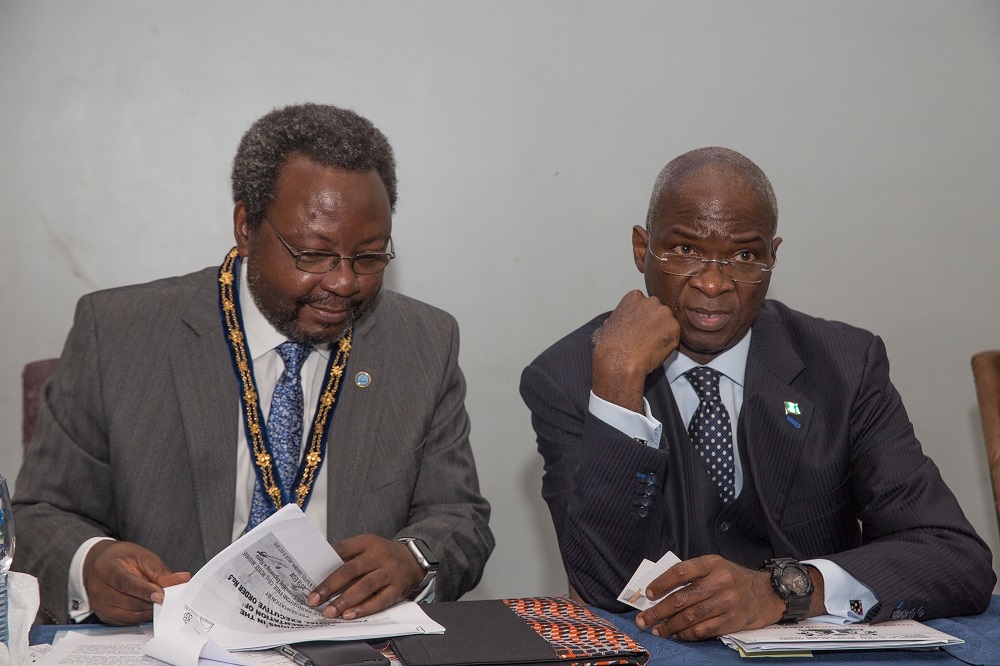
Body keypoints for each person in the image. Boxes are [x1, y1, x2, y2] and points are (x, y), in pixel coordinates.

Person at [14, 103, 494, 625]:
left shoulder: (422, 342)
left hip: (349, 643)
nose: (344, 283)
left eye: (370, 257)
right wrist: (89, 564)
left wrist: (413, 559)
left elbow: (460, 518)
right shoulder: (119, 334)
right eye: (313, 254)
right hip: (172, 645)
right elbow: (39, 517)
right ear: (246, 227)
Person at [520, 147, 995, 641]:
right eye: (684, 250)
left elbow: (954, 554)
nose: (712, 282)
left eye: (744, 256)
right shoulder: (570, 376)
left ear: (773, 257)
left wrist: (786, 590)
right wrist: (618, 389)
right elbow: (602, 583)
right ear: (643, 248)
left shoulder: (845, 365)